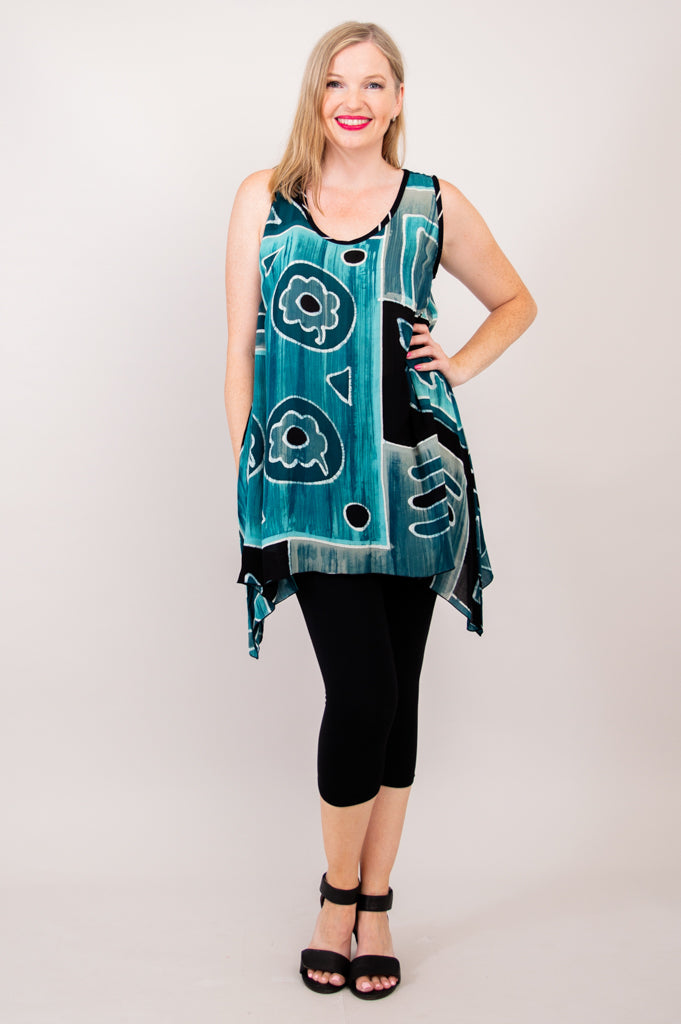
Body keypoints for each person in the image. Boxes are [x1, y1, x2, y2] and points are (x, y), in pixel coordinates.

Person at [224, 21, 537, 1000]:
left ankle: (377, 905)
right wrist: (250, 477)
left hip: (419, 486)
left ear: (398, 99)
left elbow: (515, 301)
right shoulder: (265, 200)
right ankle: (335, 897)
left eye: (372, 83)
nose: (352, 100)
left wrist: (460, 364)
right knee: (358, 693)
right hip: (305, 488)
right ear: (314, 97)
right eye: (335, 83)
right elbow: (239, 350)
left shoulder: (432, 204)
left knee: (396, 699)